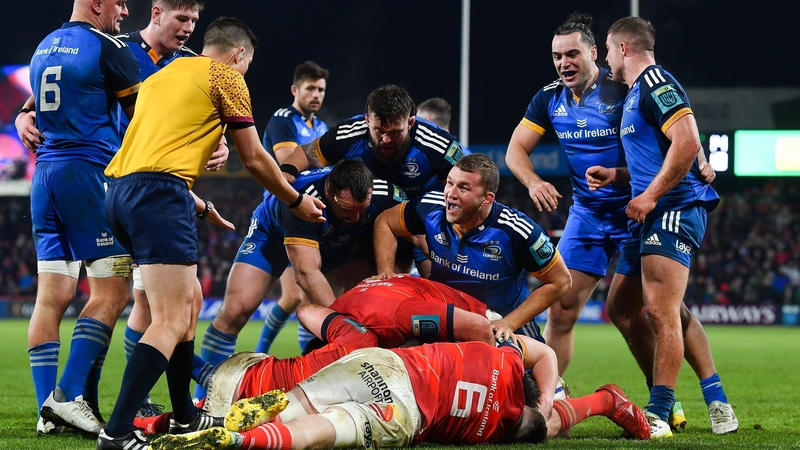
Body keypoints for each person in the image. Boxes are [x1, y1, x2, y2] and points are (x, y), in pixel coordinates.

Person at [98, 17, 325, 450]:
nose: (246, 72)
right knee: (169, 319)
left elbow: (153, 149)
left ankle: (185, 415)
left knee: (187, 306)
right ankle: (117, 432)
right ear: (239, 54)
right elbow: (255, 157)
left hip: (121, 195)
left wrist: (199, 203)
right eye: (248, 64)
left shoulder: (163, 75)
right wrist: (296, 200)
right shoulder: (225, 76)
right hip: (161, 197)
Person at [506, 12, 732, 435]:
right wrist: (534, 181)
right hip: (588, 215)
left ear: (595, 52)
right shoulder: (549, 99)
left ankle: (681, 398)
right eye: (556, 56)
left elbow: (677, 126)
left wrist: (699, 156)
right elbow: (515, 150)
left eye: (572, 54)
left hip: (638, 209)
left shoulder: (626, 86)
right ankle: (548, 403)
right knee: (563, 307)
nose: (563, 63)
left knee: (660, 309)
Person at [149, 335, 650, 450]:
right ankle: (244, 441)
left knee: (303, 400)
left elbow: (541, 353)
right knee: (332, 428)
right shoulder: (506, 424)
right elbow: (543, 422)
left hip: (385, 362)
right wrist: (553, 405)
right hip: (408, 410)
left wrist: (546, 390)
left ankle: (196, 422)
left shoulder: (498, 350)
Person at [603, 16, 736, 438]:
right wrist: (619, 177)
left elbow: (688, 141)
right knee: (622, 307)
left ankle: (660, 412)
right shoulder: (634, 93)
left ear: (623, 48)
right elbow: (658, 158)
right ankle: (716, 400)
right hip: (650, 212)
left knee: (661, 312)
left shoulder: (655, 82)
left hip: (673, 209)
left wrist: (650, 196)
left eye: (607, 50)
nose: (606, 59)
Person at [14, 0, 141, 437]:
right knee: (114, 287)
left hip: (45, 176)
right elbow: (143, 119)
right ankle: (67, 398)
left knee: (52, 295)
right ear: (96, 3)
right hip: (87, 174)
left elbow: (35, 102)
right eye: (119, 2)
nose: (125, 11)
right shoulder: (106, 47)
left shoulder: (44, 46)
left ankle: (46, 412)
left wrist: (21, 115)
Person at [112, 0, 233, 419]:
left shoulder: (189, 64)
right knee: (153, 307)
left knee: (185, 300)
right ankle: (117, 419)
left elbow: (202, 121)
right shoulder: (119, 50)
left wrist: (219, 142)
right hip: (135, 186)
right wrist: (26, 111)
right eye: (182, 17)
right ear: (157, 12)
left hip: (153, 190)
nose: (190, 26)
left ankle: (183, 412)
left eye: (195, 19)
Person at [195, 160, 407, 398]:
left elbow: (414, 229)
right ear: (329, 192)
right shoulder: (304, 197)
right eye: (348, 209)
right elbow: (306, 274)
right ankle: (202, 398)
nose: (357, 217)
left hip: (340, 241)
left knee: (364, 307)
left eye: (362, 210)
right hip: (273, 234)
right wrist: (343, 326)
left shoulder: (386, 194)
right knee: (234, 311)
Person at [373, 153, 572, 343]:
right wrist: (385, 271)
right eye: (449, 183)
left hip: (501, 322)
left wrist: (509, 323)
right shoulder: (430, 207)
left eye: (463, 188)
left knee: (535, 365)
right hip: (448, 319)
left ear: (487, 199)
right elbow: (385, 221)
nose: (450, 194)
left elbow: (561, 281)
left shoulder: (517, 231)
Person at [256, 60, 330, 355]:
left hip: (311, 213)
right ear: (295, 90)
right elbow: (291, 164)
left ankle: (305, 358)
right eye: (310, 88)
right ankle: (264, 350)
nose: (316, 95)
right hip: (283, 212)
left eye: (320, 89)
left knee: (302, 296)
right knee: (295, 296)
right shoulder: (283, 120)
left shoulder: (320, 126)